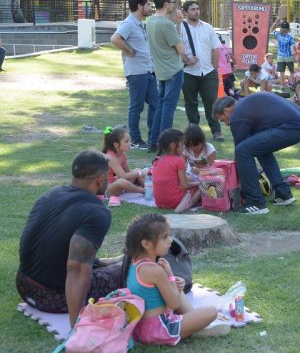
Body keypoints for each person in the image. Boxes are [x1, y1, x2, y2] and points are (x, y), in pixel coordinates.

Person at [17, 151, 122, 326]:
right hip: (53, 298)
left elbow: (51, 245)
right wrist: (76, 326)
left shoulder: (52, 193)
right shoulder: (98, 212)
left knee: (97, 262)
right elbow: (77, 268)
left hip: (23, 284)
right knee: (127, 269)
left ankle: (106, 262)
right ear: (100, 178)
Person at [124, 213, 228, 345]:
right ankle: (196, 327)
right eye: (165, 237)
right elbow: (174, 304)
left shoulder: (134, 262)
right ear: (146, 244)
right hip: (159, 329)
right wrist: (170, 276)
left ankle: (193, 321)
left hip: (141, 328)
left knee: (177, 287)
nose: (171, 240)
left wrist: (172, 282)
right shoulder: (154, 270)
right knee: (211, 312)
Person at [213, 94, 300, 214]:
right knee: (260, 149)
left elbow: (240, 152)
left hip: (291, 126)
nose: (226, 124)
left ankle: (255, 203)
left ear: (226, 111)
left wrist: (233, 181)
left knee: (242, 151)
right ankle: (283, 194)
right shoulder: (244, 105)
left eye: (222, 120)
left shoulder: (237, 115)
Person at [111, 0, 159, 150]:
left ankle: (154, 137)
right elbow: (115, 39)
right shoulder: (129, 23)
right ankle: (135, 139)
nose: (150, 7)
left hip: (148, 71)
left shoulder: (141, 24)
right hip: (136, 72)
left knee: (156, 103)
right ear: (139, 6)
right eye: (147, 4)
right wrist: (129, 50)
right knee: (136, 106)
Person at [147, 0, 190, 153]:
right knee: (168, 109)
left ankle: (153, 141)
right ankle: (164, 144)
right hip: (173, 70)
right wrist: (188, 59)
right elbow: (180, 48)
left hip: (161, 70)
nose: (173, 5)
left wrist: (177, 23)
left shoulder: (151, 21)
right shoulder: (166, 24)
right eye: (172, 2)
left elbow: (170, 41)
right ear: (166, 4)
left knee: (161, 106)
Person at [179, 0, 224, 142]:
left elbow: (216, 48)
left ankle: (216, 131)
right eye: (192, 9)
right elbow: (176, 48)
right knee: (190, 102)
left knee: (211, 102)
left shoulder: (208, 27)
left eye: (197, 9)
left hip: (208, 72)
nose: (196, 12)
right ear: (186, 12)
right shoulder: (180, 28)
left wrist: (214, 69)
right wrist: (186, 60)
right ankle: (194, 131)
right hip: (188, 72)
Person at [151, 128, 201, 212]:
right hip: (175, 202)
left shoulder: (157, 160)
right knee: (200, 190)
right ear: (173, 145)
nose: (184, 147)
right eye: (182, 144)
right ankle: (188, 205)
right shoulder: (178, 160)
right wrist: (199, 183)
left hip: (159, 203)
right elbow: (185, 185)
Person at [102, 126, 145, 207]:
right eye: (126, 141)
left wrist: (137, 172)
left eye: (130, 140)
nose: (130, 143)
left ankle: (149, 187)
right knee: (123, 180)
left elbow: (127, 172)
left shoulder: (122, 154)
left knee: (136, 170)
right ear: (116, 144)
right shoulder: (110, 157)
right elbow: (123, 176)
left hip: (119, 185)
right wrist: (138, 173)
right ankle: (143, 190)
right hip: (107, 189)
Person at [269, 18, 296, 84]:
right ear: (288, 30)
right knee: (291, 71)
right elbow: (294, 47)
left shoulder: (278, 35)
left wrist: (275, 23)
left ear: (281, 28)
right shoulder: (290, 37)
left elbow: (271, 30)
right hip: (288, 56)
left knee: (281, 72)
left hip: (280, 56)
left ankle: (282, 85)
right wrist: (295, 55)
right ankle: (291, 83)